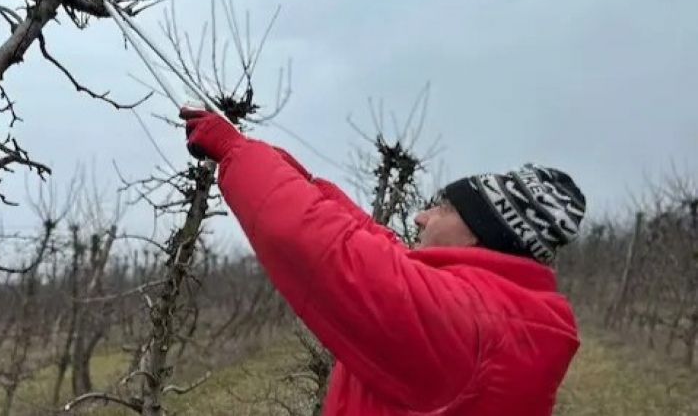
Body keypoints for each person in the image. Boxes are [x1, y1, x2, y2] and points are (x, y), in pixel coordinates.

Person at [179, 107, 586, 416]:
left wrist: (238, 155)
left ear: (480, 235)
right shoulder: (509, 314)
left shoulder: (471, 329)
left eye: (443, 208)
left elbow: (329, 250)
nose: (421, 216)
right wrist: (301, 182)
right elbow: (382, 248)